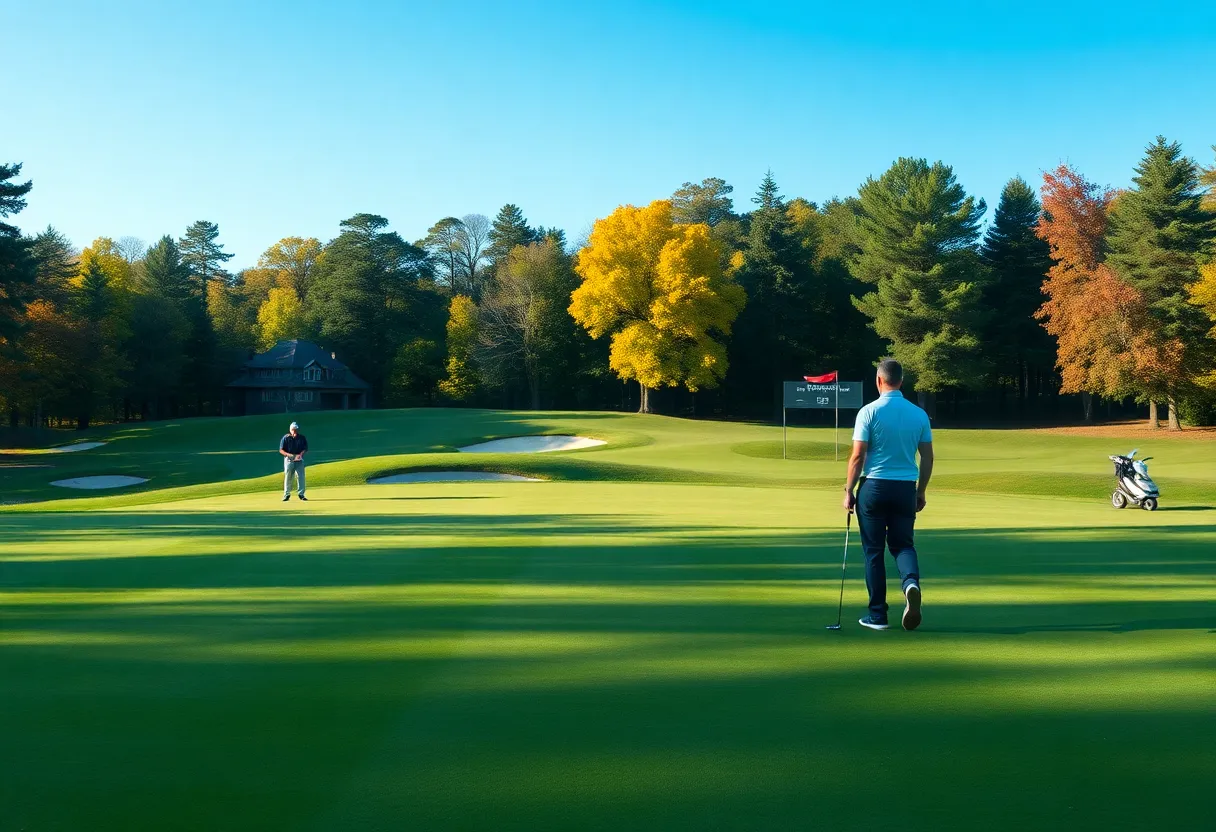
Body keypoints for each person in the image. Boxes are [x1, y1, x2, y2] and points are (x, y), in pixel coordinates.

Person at [842, 359, 933, 631]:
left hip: (874, 488)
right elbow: (927, 457)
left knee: (873, 552)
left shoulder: (868, 412)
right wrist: (921, 491)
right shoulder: (918, 414)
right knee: (903, 545)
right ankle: (911, 584)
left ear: (878, 381)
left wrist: (848, 490)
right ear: (902, 382)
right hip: (905, 488)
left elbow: (858, 456)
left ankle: (878, 615)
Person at [280, 421, 309, 501]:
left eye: (296, 429)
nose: (294, 431)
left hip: (299, 459)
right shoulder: (286, 438)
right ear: (290, 429)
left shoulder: (302, 438)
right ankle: (287, 495)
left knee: (301, 477)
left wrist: (301, 454)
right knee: (288, 477)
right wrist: (289, 455)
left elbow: (305, 448)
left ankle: (301, 494)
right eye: (293, 429)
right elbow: (281, 450)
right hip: (289, 459)